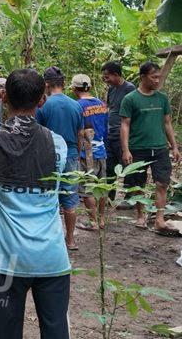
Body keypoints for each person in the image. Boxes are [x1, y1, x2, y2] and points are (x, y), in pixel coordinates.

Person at [0, 68, 71, 339]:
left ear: (4, 98)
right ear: (41, 100)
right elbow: (20, 150)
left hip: (8, 261)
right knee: (56, 332)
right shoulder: (58, 144)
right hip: (52, 258)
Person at [120, 62, 180, 235]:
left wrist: (174, 147)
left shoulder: (162, 98)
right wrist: (126, 149)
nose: (157, 80)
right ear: (143, 77)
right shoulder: (130, 99)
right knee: (139, 183)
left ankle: (159, 219)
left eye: (159, 77)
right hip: (138, 148)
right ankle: (141, 215)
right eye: (154, 77)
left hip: (160, 148)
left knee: (162, 183)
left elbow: (167, 123)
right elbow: (125, 125)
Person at [36, 66, 83, 251]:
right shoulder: (76, 105)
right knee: (70, 200)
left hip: (50, 156)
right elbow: (80, 134)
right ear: (63, 83)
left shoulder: (44, 106)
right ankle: (70, 239)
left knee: (49, 198)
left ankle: (50, 238)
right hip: (71, 155)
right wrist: (77, 155)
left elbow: (38, 134)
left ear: (46, 84)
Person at [71, 74, 108, 231]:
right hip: (101, 150)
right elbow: (106, 128)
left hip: (86, 153)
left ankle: (93, 221)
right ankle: (101, 220)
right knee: (101, 185)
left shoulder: (77, 106)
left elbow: (79, 132)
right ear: (90, 87)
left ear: (74, 89)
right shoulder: (102, 104)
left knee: (87, 188)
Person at [101, 61, 135, 193]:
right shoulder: (111, 89)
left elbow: (132, 114)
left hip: (123, 134)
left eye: (107, 76)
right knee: (110, 167)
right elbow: (111, 108)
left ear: (116, 75)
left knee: (127, 166)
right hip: (110, 134)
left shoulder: (129, 89)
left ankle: (129, 197)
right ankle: (110, 195)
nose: (106, 79)